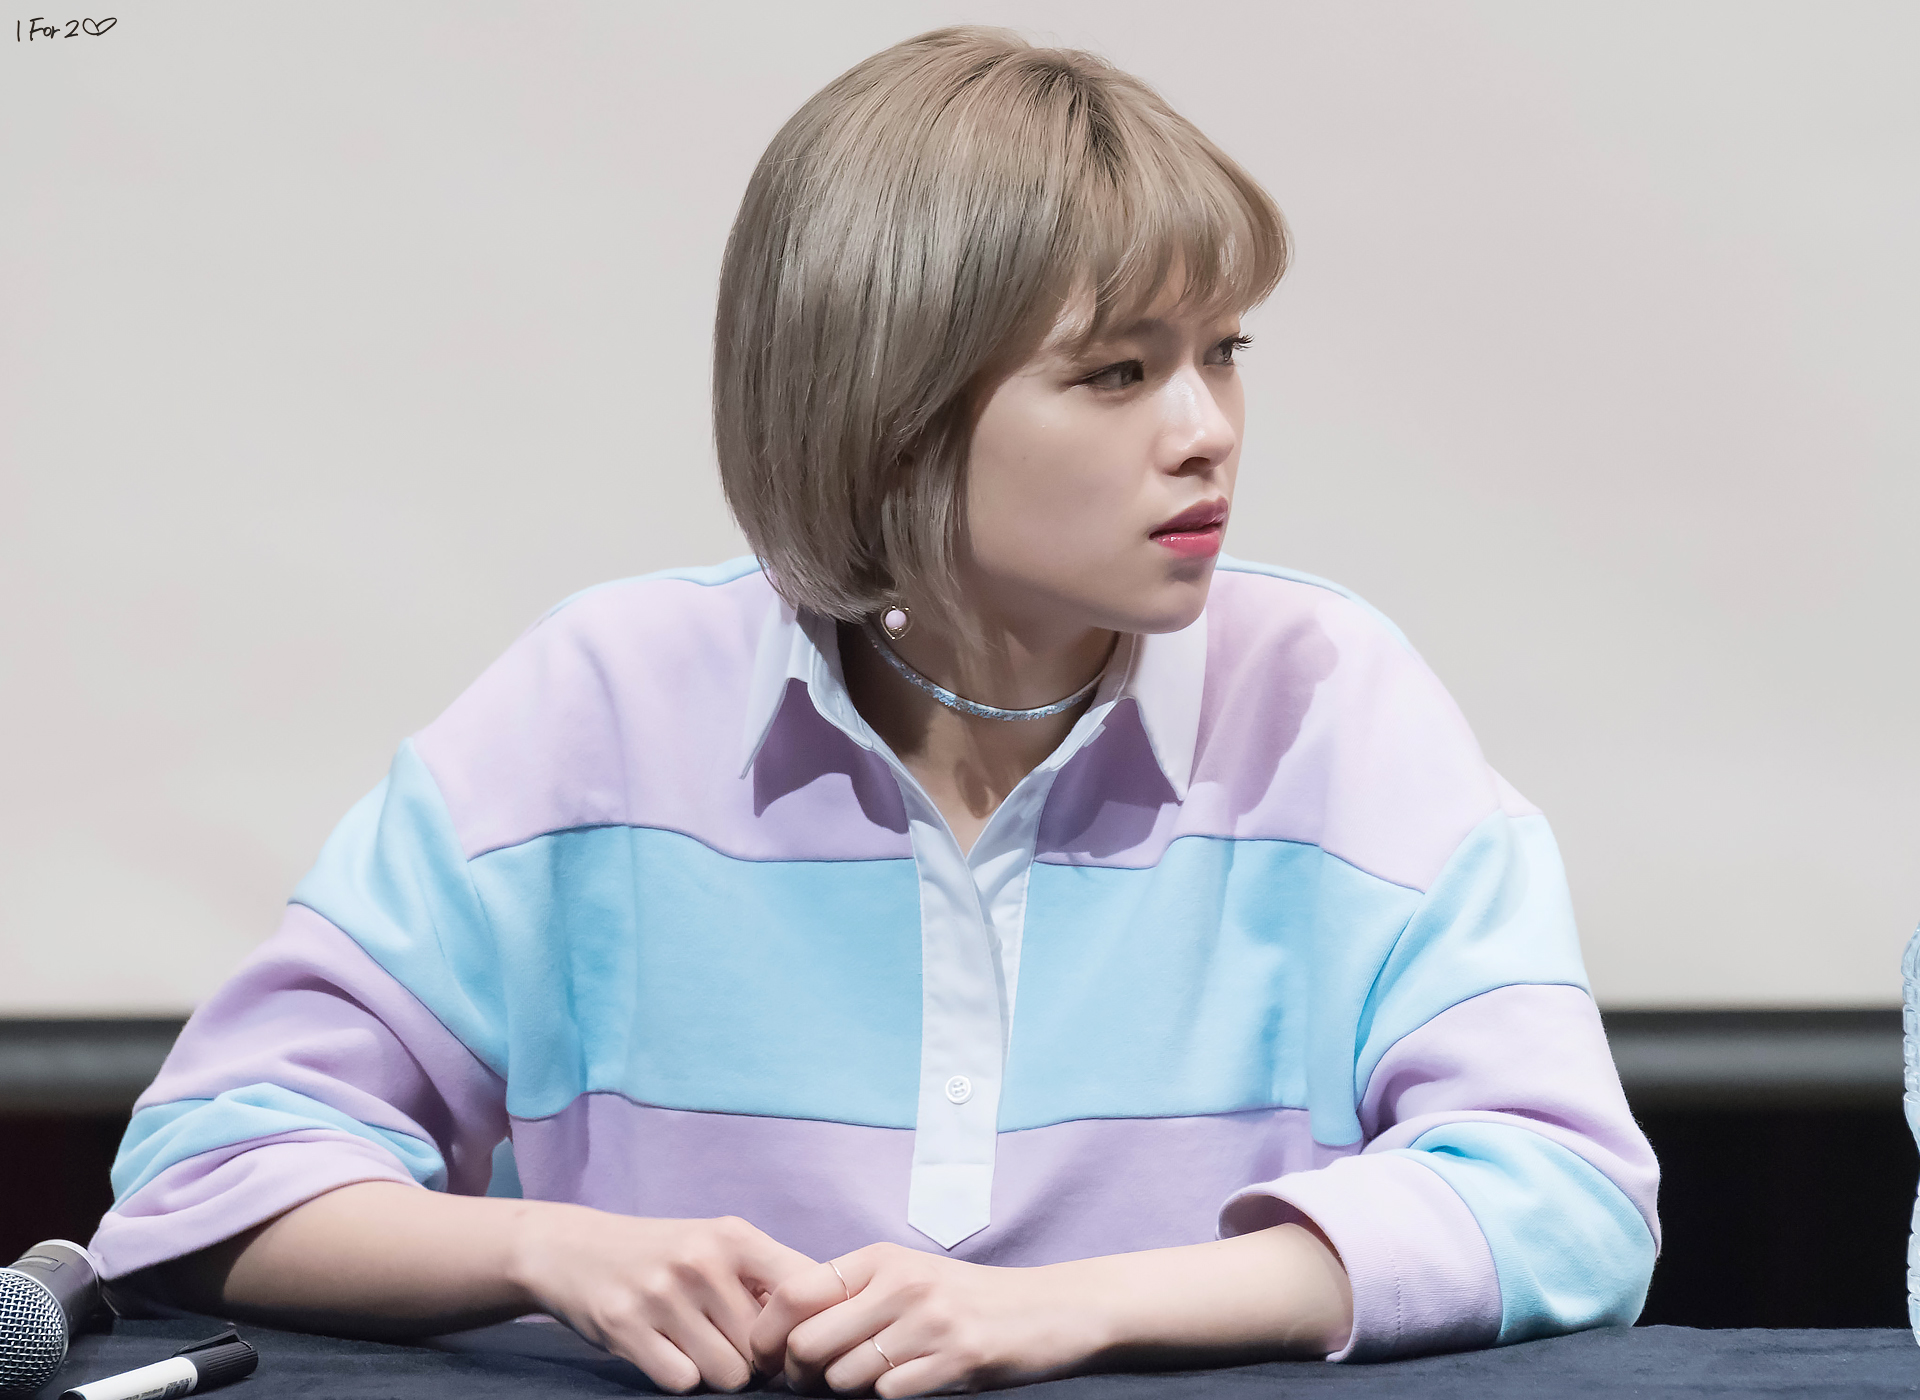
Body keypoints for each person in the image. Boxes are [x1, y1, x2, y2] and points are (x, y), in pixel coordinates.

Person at [91, 26, 1659, 1397]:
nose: (1207, 432)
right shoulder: (604, 699)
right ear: (891, 408)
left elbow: (1568, 1196)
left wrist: (1076, 1310)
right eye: (1118, 373)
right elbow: (208, 1172)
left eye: (1223, 354)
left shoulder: (1332, 698)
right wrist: (547, 1251)